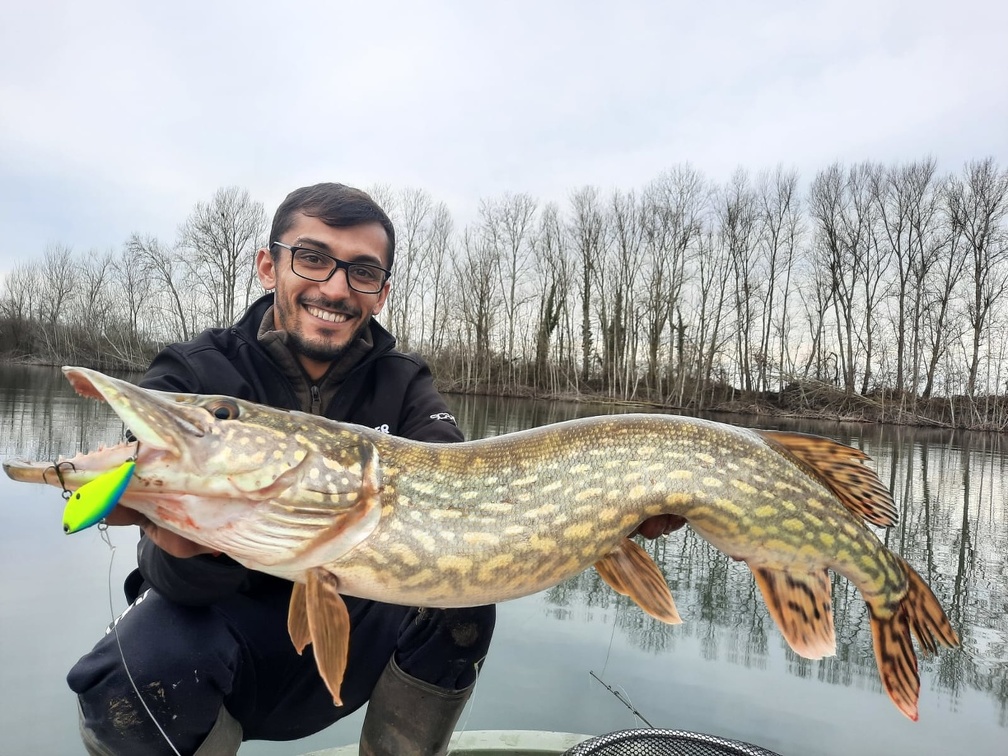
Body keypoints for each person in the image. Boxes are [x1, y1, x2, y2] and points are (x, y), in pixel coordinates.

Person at [67, 182, 684, 755]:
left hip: (363, 633)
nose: (334, 288)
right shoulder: (193, 375)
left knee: (462, 609)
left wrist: (613, 511)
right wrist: (180, 538)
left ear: (380, 291)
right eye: (311, 257)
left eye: (362, 271)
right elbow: (169, 581)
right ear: (268, 265)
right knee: (136, 670)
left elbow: (461, 490)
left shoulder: (404, 381)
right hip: (223, 645)